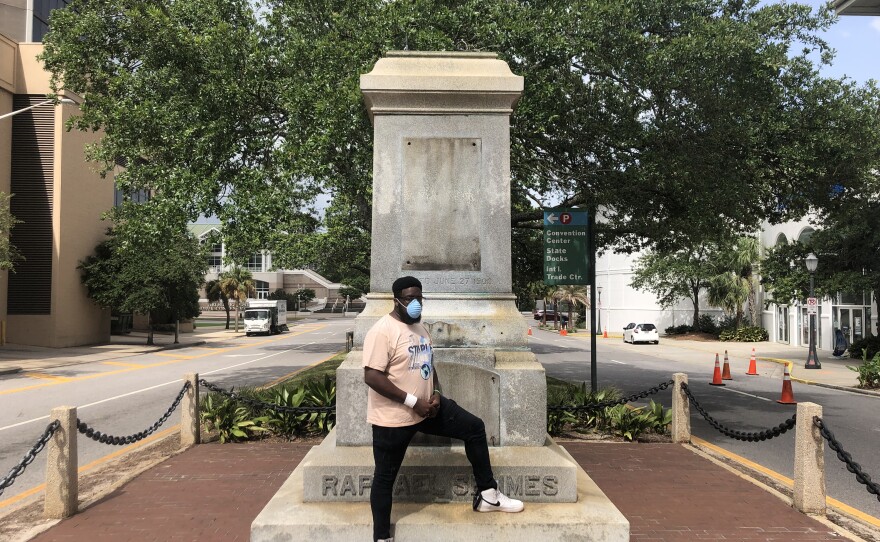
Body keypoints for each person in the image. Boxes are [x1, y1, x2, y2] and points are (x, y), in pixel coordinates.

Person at [363, 276, 524, 542]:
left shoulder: (419, 327)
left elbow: (428, 363)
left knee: (474, 428)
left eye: (419, 297)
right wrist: (413, 402)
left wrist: (436, 393)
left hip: (428, 409)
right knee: (384, 478)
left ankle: (488, 495)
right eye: (409, 299)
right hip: (394, 418)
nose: (415, 303)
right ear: (396, 301)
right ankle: (382, 536)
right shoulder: (382, 331)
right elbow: (372, 377)